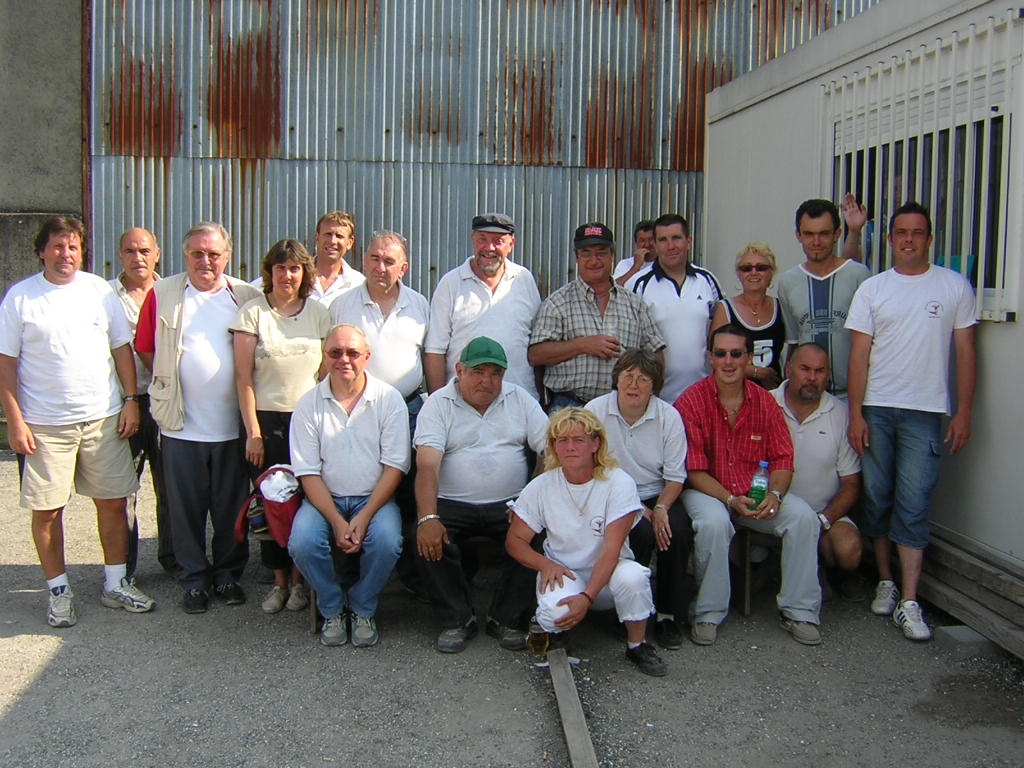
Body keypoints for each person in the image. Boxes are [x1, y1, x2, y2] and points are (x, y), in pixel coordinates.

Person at [0, 216, 154, 627]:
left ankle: (116, 584)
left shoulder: (98, 291)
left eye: (72, 246)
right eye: (57, 246)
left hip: (103, 418)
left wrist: (130, 401)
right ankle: (59, 591)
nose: (65, 254)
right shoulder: (20, 298)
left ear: (82, 252)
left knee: (114, 503)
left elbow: (121, 350)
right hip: (44, 425)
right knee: (48, 511)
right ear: (41, 251)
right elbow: (6, 366)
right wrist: (15, 421)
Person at [846, 201, 977, 641]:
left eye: (917, 233)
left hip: (925, 411)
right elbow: (859, 357)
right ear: (889, 239)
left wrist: (963, 411)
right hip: (877, 409)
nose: (908, 240)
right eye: (901, 232)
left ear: (929, 239)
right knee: (877, 498)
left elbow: (965, 353)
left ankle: (910, 600)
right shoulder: (873, 289)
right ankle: (885, 580)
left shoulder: (953, 287)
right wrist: (855, 415)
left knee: (914, 501)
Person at [135, 221, 261, 614]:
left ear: (228, 256)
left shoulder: (246, 296)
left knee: (231, 510)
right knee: (184, 510)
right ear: (185, 255)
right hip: (181, 426)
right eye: (197, 253)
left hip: (231, 428)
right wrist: (170, 382)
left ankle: (227, 576)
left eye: (214, 254)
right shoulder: (163, 294)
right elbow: (145, 347)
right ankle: (193, 581)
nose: (205, 261)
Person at [675, 324, 822, 646]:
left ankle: (800, 611)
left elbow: (783, 458)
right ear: (710, 358)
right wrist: (729, 499)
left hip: (755, 490)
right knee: (714, 523)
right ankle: (708, 613)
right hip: (708, 490)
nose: (728, 361)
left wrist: (775, 494)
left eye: (736, 354)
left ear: (749, 358)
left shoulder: (765, 402)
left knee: (803, 518)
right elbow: (694, 471)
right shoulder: (691, 401)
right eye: (721, 353)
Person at [506, 408, 667, 677]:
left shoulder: (618, 482)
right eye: (562, 440)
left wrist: (587, 597)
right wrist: (545, 564)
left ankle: (637, 645)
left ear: (596, 444)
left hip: (610, 573)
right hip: (565, 572)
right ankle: (559, 635)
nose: (570, 447)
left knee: (634, 577)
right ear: (554, 446)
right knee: (552, 613)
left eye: (579, 440)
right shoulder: (541, 486)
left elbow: (611, 551)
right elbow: (515, 540)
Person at [414, 337, 548, 653]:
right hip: (452, 502)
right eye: (478, 372)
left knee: (539, 533)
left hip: (510, 502)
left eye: (495, 373)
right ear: (459, 370)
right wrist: (428, 517)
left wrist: (531, 501)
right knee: (425, 536)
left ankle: (507, 618)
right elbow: (427, 466)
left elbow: (551, 449)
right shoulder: (438, 403)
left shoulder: (519, 399)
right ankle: (457, 619)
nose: (487, 381)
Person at [288, 324, 410, 647]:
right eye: (335, 352)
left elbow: (395, 467)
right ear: (324, 356)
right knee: (301, 542)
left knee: (388, 541)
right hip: (323, 500)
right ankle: (331, 607)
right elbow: (308, 473)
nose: (344, 359)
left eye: (353, 352)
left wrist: (364, 516)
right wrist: (337, 521)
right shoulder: (308, 405)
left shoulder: (389, 400)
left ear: (367, 357)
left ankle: (362, 606)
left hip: (374, 499)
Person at [231, 239, 331, 614]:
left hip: (307, 422)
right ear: (269, 272)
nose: (287, 276)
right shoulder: (252, 313)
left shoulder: (319, 313)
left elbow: (325, 375)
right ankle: (279, 583)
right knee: (272, 504)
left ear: (305, 273)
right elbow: (244, 378)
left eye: (294, 269)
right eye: (280, 268)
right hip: (266, 422)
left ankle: (301, 583)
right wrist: (253, 433)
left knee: (305, 502)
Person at [330, 230, 430, 595]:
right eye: (374, 258)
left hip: (408, 409)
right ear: (363, 260)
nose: (380, 267)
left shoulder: (420, 304)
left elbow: (430, 358)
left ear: (404, 268)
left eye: (389, 261)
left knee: (407, 493)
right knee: (358, 487)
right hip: (357, 411)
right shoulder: (342, 305)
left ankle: (410, 576)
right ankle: (350, 572)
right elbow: (330, 360)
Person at [584, 349, 690, 650]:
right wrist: (635, 507)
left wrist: (661, 508)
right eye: (628, 376)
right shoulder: (595, 411)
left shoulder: (668, 416)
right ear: (616, 379)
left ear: (654, 385)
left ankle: (667, 613)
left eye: (643, 379)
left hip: (657, 492)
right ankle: (628, 610)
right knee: (639, 532)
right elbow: (591, 466)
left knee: (676, 531)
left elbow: (676, 476)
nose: (634, 385)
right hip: (611, 492)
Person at [529, 222, 665, 410]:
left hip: (622, 409)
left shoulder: (635, 304)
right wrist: (583, 345)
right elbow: (536, 355)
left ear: (612, 256)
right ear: (577, 258)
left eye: (601, 253)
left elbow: (656, 355)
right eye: (586, 254)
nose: (594, 261)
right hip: (569, 408)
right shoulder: (557, 303)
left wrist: (649, 400)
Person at [771, 343, 863, 599]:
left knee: (849, 549)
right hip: (772, 509)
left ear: (828, 375)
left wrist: (823, 520)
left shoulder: (840, 413)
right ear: (788, 369)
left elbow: (851, 484)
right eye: (805, 369)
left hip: (823, 514)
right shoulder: (764, 403)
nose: (812, 377)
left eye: (819, 371)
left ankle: (829, 572)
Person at [109, 226, 176, 576]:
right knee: (124, 490)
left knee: (171, 487)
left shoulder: (173, 293)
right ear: (120, 255)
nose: (138, 258)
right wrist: (127, 399)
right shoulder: (105, 296)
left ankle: (173, 559)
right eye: (130, 251)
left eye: (145, 251)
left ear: (157, 255)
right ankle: (124, 568)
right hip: (126, 404)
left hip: (166, 402)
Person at [424, 213, 541, 398]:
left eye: (498, 241)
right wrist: (440, 402)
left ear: (511, 244)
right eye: (482, 239)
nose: (489, 248)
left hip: (518, 401)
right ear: (473, 240)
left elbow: (537, 345)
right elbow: (435, 350)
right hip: (462, 403)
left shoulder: (523, 279)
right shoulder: (451, 283)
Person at [778, 197, 870, 398]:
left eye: (824, 234)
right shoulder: (787, 282)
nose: (816, 242)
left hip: (851, 395)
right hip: (806, 397)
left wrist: (855, 232)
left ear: (837, 234)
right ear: (798, 235)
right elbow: (793, 342)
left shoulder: (859, 275)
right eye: (809, 234)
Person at [627, 213, 723, 403]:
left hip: (704, 398)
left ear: (689, 241)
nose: (670, 246)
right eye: (663, 240)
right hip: (657, 398)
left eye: (676, 238)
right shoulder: (637, 284)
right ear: (655, 245)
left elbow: (721, 333)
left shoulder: (708, 280)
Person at [710, 242, 785, 389]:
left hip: (772, 394)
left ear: (772, 272)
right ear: (739, 274)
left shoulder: (781, 306)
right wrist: (756, 372)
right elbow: (715, 357)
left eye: (761, 267)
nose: (754, 272)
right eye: (746, 268)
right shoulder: (725, 309)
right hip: (736, 392)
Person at [308, 210, 365, 306]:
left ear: (350, 242)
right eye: (328, 234)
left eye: (339, 236)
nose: (332, 241)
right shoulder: (299, 277)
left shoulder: (358, 283)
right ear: (317, 238)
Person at [612, 219, 656, 286]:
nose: (647, 244)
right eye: (642, 240)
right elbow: (615, 288)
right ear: (636, 243)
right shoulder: (624, 264)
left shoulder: (665, 265)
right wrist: (636, 266)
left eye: (651, 239)